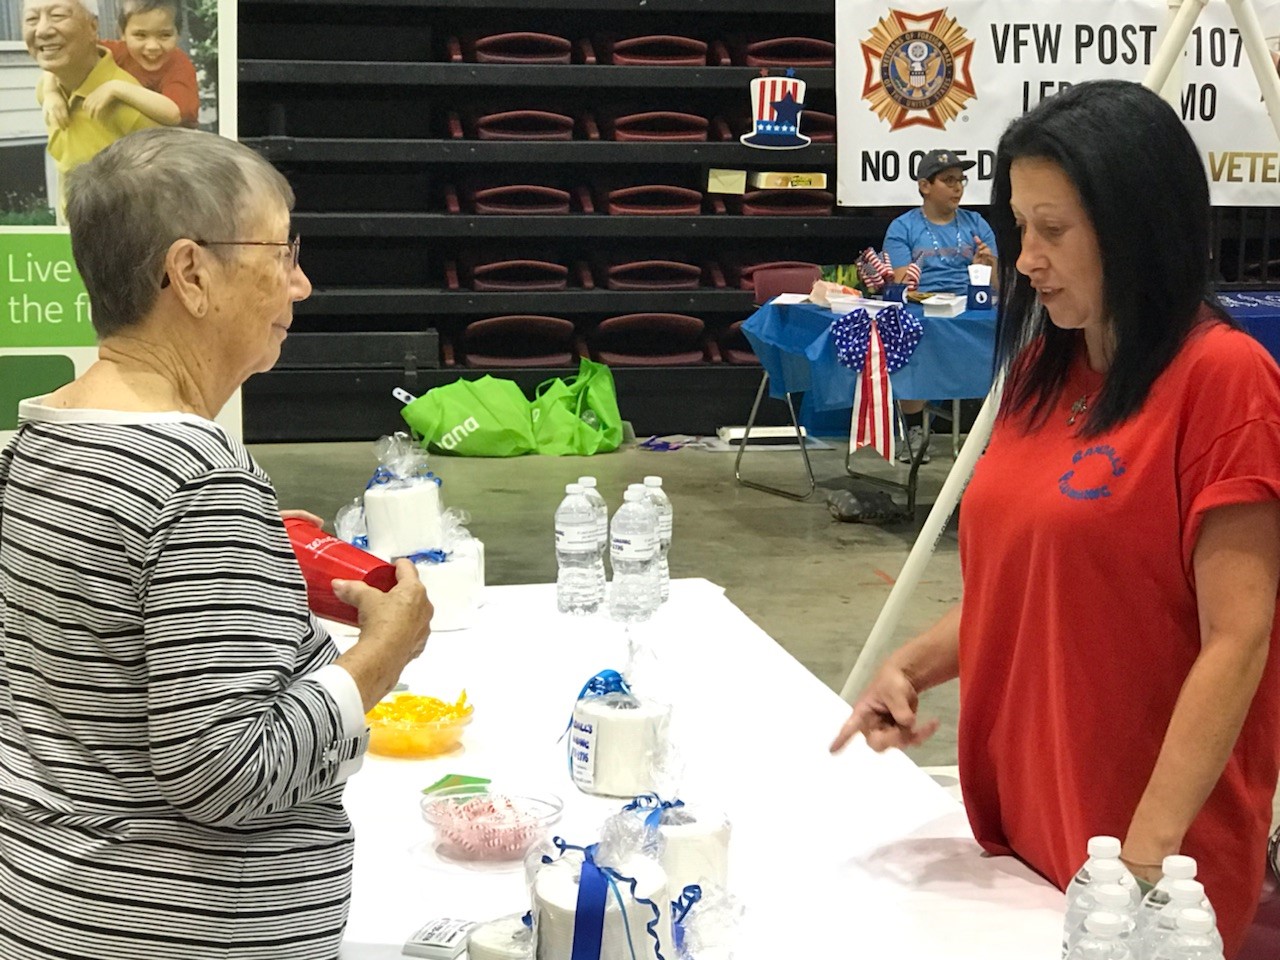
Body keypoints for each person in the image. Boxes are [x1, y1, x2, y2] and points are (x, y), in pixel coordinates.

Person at [832, 80, 1280, 960]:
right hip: (1031, 819)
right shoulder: (1046, 369)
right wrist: (913, 665)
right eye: (1019, 227)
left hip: (1148, 866)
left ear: (1138, 227)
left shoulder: (1225, 383)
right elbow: (1031, 584)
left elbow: (1241, 638)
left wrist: (1145, 861)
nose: (1026, 258)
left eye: (1053, 229)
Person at [0, 128, 433, 959]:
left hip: (59, 905)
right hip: (175, 927)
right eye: (280, 251)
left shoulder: (39, 438)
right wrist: (383, 653)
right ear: (191, 273)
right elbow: (228, 773)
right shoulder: (195, 480)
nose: (299, 283)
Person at [882, 149, 998, 463]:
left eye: (961, 180)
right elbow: (899, 280)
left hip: (970, 305)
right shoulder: (902, 227)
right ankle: (914, 430)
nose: (958, 187)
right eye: (948, 180)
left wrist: (986, 267)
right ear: (925, 186)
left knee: (1005, 331)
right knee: (908, 333)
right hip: (922, 307)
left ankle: (996, 429)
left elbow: (1001, 285)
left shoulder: (977, 223)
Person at [22, 0, 160, 217]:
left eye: (57, 16)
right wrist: (50, 92)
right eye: (31, 19)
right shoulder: (48, 90)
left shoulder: (129, 104)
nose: (42, 30)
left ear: (93, 27)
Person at [40, 0, 200, 129]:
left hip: (175, 145)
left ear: (178, 34)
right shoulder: (115, 52)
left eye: (165, 35)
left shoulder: (179, 65)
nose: (152, 46)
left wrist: (116, 87)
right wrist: (51, 93)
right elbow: (67, 56)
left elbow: (173, 114)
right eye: (140, 35)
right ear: (122, 33)